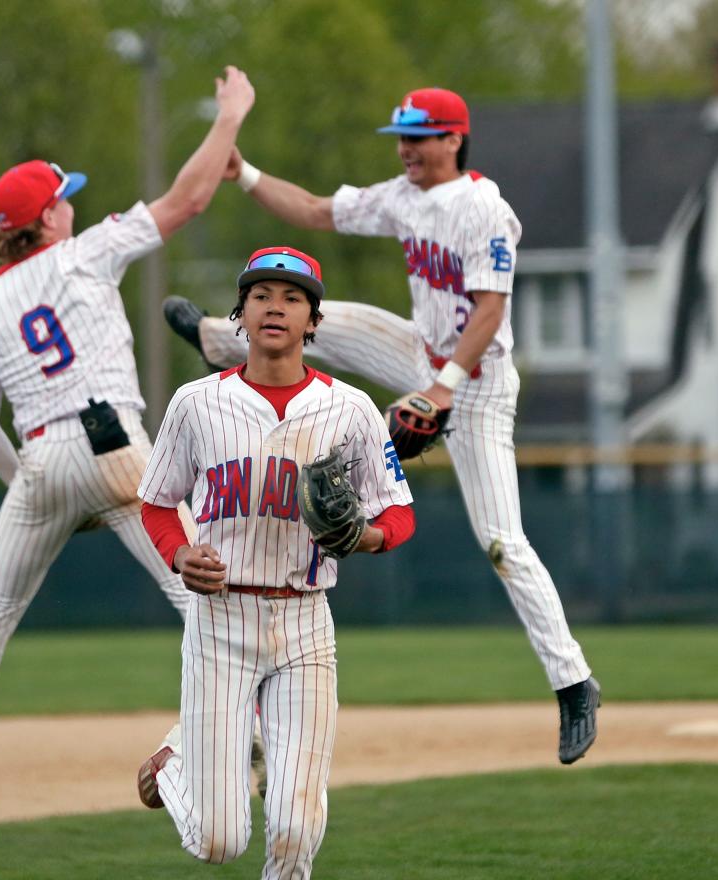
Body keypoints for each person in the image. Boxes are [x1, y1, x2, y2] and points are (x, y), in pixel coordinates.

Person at [163, 87, 600, 765]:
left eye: (419, 137)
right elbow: (313, 210)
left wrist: (442, 391)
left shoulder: (484, 208)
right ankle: (217, 339)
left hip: (476, 382)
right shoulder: (403, 194)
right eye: (401, 135)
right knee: (303, 319)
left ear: (454, 139)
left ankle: (573, 682)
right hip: (417, 351)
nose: (406, 148)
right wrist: (243, 175)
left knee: (502, 544)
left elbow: (489, 311)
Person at [0, 67, 256, 792]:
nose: (71, 206)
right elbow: (189, 198)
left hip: (38, 456)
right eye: (62, 199)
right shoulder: (84, 253)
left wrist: (28, 488)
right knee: (200, 591)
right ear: (45, 221)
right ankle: (245, 726)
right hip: (115, 446)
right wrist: (229, 117)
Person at [136, 247, 415, 876]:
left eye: (292, 298)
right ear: (241, 312)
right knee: (218, 841)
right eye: (261, 294)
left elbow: (399, 512)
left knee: (297, 824)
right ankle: (173, 764)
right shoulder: (195, 403)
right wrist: (179, 553)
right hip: (219, 620)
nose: (275, 307)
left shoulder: (352, 410)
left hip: (306, 623)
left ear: (313, 320)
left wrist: (365, 538)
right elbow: (155, 503)